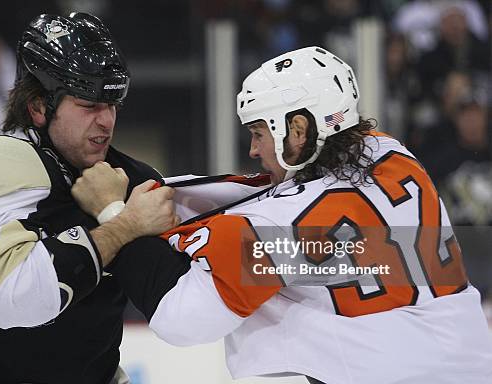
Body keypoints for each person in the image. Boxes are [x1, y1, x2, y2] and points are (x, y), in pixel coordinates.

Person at [75, 46, 492, 384]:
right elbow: (287, 195)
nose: (254, 150)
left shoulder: (285, 230)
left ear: (297, 130)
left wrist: (116, 214)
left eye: (259, 133)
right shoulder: (392, 153)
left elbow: (182, 319)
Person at [0, 12, 182, 384]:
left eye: (111, 105)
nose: (106, 121)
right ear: (38, 107)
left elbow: (178, 312)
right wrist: (122, 224)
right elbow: (12, 298)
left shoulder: (137, 180)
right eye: (88, 105)